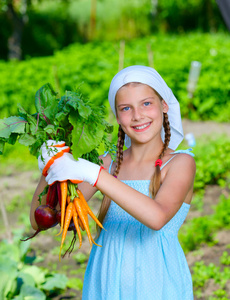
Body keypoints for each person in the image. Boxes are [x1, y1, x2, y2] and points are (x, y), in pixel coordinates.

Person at [30, 65, 196, 300]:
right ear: (117, 117)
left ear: (164, 106)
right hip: (106, 284)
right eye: (126, 108)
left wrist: (95, 175)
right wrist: (50, 168)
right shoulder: (107, 164)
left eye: (146, 103)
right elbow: (44, 220)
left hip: (158, 285)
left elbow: (157, 217)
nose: (138, 115)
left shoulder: (180, 163)